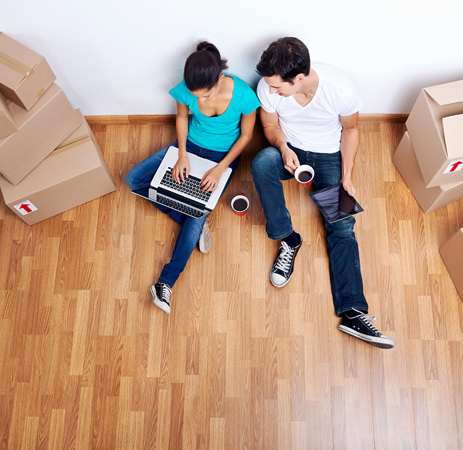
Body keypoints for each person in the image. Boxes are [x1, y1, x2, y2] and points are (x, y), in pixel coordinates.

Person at [250, 37, 395, 349]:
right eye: (270, 87)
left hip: (329, 156)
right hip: (291, 151)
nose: (271, 92)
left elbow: (352, 130)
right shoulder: (268, 86)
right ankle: (288, 238)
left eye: (278, 88)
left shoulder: (339, 89)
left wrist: (346, 177)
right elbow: (271, 125)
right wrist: (283, 147)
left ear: (299, 78)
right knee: (262, 162)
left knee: (342, 227)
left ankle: (353, 313)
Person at [126, 42, 260, 314]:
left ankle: (166, 282)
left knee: (197, 214)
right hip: (188, 147)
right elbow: (181, 118)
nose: (204, 100)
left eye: (207, 94)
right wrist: (182, 155)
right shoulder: (185, 90)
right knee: (133, 180)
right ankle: (193, 220)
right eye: (197, 95)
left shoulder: (244, 95)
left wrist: (221, 167)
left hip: (221, 158)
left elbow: (246, 135)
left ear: (220, 79)